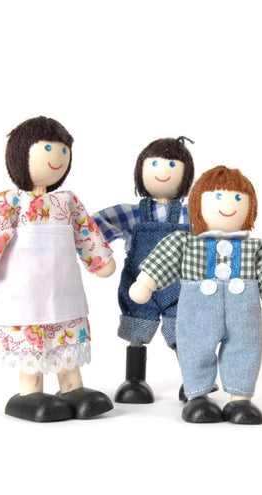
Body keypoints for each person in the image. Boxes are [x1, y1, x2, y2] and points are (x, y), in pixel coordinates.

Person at [0, 116, 116, 422]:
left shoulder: (68, 202)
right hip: (22, 294)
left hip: (64, 291)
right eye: (48, 149)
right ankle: (30, 393)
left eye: (63, 150)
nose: (58, 157)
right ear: (21, 154)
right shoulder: (9, 202)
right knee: (31, 346)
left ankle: (72, 388)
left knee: (66, 339)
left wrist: (99, 259)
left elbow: (85, 232)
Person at [129, 165, 262, 424]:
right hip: (196, 312)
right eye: (218, 197)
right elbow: (163, 261)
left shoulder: (256, 247)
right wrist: (145, 283)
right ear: (197, 204)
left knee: (245, 349)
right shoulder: (185, 242)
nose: (229, 204)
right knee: (194, 348)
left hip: (244, 316)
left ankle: (240, 399)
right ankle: (198, 396)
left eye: (238, 198)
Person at [92, 137, 194, 403]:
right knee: (136, 329)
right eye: (155, 165)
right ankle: (134, 380)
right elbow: (90, 226)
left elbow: (211, 236)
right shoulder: (131, 213)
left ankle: (194, 381)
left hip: (179, 287)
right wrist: (91, 251)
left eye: (173, 165)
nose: (164, 172)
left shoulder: (191, 214)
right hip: (138, 285)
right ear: (141, 171)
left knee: (183, 331)